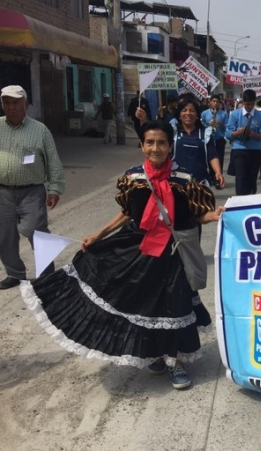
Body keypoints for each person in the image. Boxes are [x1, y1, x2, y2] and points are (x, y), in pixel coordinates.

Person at [20, 121, 224, 389]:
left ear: (170, 146)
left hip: (173, 253)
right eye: (149, 142)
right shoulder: (133, 177)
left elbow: (198, 214)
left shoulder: (184, 179)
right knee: (143, 303)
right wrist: (99, 234)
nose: (155, 148)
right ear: (142, 145)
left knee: (174, 304)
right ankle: (156, 354)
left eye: (161, 143)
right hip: (139, 249)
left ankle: (176, 361)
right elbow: (127, 213)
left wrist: (214, 215)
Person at [0, 85, 66, 290]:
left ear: (26, 105)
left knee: (35, 230)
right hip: (2, 192)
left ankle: (47, 273)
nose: (11, 107)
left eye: (15, 103)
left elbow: (53, 160)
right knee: (4, 235)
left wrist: (54, 188)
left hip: (32, 191)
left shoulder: (40, 130)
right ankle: (15, 273)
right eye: (7, 103)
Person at [226, 89, 261, 195]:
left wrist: (252, 134)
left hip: (254, 151)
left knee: (252, 178)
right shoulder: (235, 114)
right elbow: (228, 134)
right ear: (243, 102)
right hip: (239, 150)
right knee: (241, 177)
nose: (250, 107)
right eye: (247, 104)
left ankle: (251, 198)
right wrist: (238, 132)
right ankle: (240, 199)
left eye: (252, 104)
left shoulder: (260, 116)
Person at [200, 94, 228, 189]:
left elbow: (226, 127)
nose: (215, 103)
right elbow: (201, 124)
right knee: (210, 158)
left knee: (219, 158)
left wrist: (219, 123)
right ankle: (211, 177)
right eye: (214, 101)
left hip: (219, 138)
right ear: (210, 102)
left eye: (217, 102)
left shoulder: (223, 114)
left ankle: (218, 178)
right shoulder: (204, 113)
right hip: (208, 138)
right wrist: (208, 124)